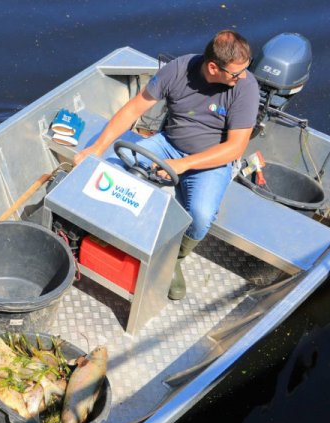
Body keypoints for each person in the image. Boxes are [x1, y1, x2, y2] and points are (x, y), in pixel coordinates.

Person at [75, 30, 259, 300]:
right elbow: (133, 110)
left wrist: (183, 165)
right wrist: (96, 149)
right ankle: (104, 232)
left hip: (212, 160)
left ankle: (174, 258)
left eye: (245, 70)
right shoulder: (177, 70)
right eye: (235, 73)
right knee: (112, 170)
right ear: (212, 67)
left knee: (201, 214)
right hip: (167, 144)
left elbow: (235, 148)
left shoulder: (245, 87)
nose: (242, 76)